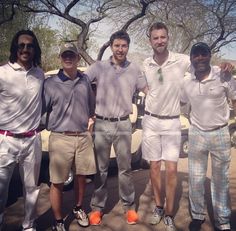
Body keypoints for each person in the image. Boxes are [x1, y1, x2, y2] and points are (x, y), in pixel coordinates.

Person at [85, 30, 147, 225]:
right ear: (111, 46)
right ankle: (97, 208)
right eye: (117, 45)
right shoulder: (98, 67)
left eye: (124, 46)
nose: (120, 49)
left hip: (123, 123)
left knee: (125, 168)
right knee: (101, 169)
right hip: (102, 123)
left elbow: (148, 90)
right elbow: (80, 85)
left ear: (128, 47)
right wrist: (87, 112)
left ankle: (129, 207)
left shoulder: (135, 69)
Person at [181, 42, 236, 231]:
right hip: (196, 133)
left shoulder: (223, 74)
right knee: (196, 178)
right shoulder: (187, 82)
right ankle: (197, 216)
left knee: (221, 180)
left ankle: (223, 220)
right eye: (196, 55)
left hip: (220, 132)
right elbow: (182, 103)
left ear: (210, 55)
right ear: (191, 59)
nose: (200, 58)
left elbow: (235, 99)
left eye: (203, 54)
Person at [141, 22, 191, 231]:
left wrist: (225, 67)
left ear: (168, 38)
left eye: (163, 37)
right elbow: (142, 85)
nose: (160, 41)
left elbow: (202, 66)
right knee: (154, 167)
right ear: (150, 41)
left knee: (171, 170)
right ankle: (159, 206)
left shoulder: (182, 60)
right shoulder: (145, 63)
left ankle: (169, 213)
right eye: (155, 38)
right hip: (151, 121)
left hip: (171, 121)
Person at [42, 43, 96, 231]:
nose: (68, 58)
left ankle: (78, 208)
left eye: (71, 55)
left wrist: (90, 124)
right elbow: (42, 110)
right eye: (65, 55)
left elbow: (91, 108)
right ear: (60, 57)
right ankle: (58, 220)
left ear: (78, 58)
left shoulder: (85, 80)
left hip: (82, 137)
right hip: (60, 137)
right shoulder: (50, 83)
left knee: (81, 178)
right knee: (57, 182)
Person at [0, 30, 44, 231]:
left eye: (30, 45)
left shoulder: (40, 74)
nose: (26, 49)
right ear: (15, 48)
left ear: (35, 49)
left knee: (31, 189)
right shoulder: (2, 73)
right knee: (1, 190)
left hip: (32, 140)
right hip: (5, 140)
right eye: (22, 45)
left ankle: (29, 226)